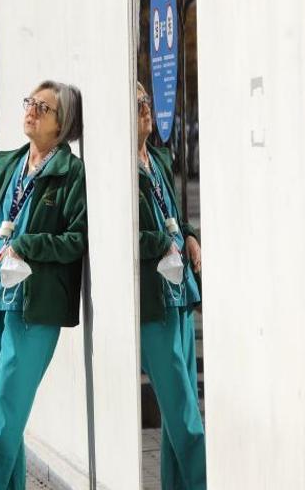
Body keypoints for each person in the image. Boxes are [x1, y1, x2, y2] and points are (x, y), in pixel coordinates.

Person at [0, 80, 86, 490]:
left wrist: (28, 244)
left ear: (61, 124)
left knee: (2, 410)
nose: (30, 110)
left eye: (42, 108)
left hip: (35, 305)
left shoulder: (70, 173)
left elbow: (77, 239)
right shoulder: (10, 163)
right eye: (29, 102)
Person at [136, 81, 206, 490]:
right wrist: (163, 240)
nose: (146, 108)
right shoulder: (120, 170)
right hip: (153, 299)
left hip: (179, 291)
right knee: (183, 410)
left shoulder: (157, 158)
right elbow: (121, 233)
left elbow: (175, 215)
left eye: (146, 102)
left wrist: (190, 235)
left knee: (179, 407)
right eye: (137, 103)